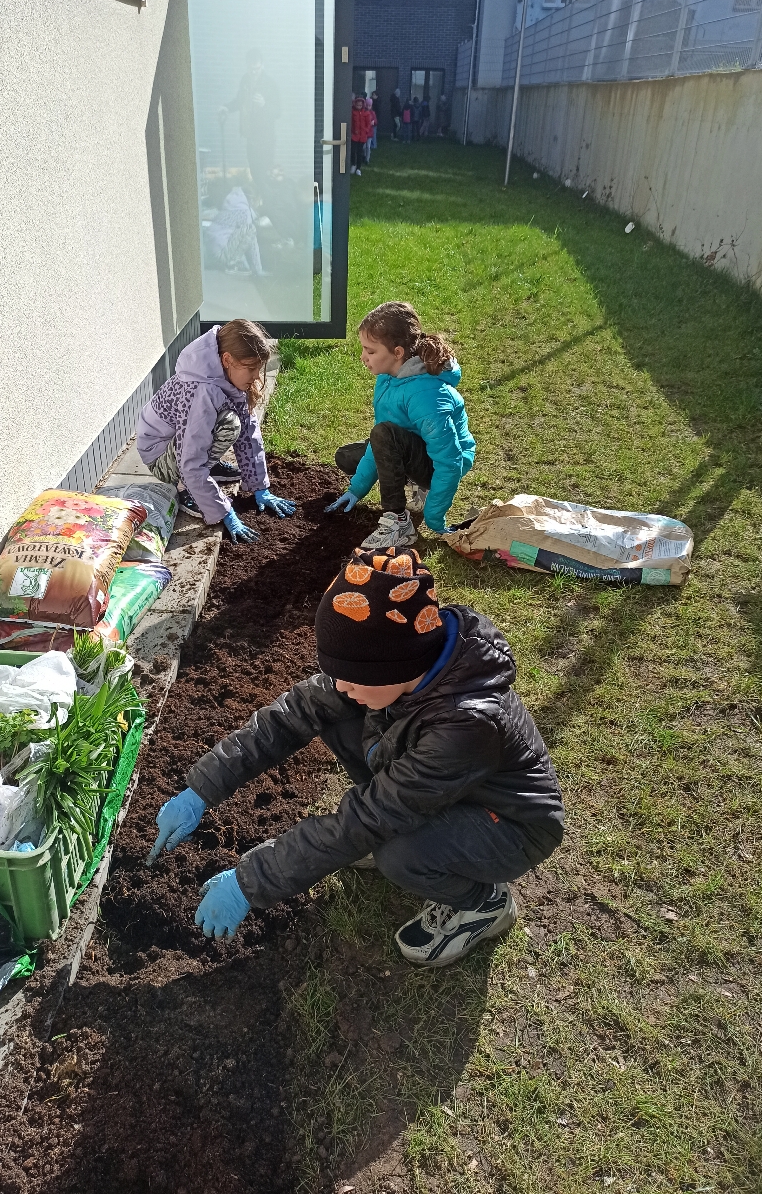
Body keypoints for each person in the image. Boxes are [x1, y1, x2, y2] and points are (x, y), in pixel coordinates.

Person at [147, 548, 564, 968]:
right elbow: (291, 714)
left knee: (399, 853)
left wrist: (248, 882)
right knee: (336, 717)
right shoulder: (397, 660)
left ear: (394, 667)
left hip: (511, 824)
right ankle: (420, 840)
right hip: (441, 788)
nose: (341, 685)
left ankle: (484, 903)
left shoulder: (467, 724)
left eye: (352, 677)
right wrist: (202, 789)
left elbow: (367, 819)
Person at [325, 301, 475, 550]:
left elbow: (450, 461)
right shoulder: (388, 378)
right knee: (348, 456)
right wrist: (356, 490)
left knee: (384, 436)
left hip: (439, 463)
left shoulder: (427, 396)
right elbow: (382, 439)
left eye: (370, 351)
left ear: (397, 352)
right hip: (415, 447)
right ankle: (414, 483)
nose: (363, 357)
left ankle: (399, 523)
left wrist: (434, 519)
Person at [135, 320, 295, 543]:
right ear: (227, 360)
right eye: (251, 368)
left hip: (177, 443)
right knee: (228, 425)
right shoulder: (200, 390)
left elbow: (249, 431)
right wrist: (224, 511)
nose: (256, 376)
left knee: (234, 422)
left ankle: (209, 467)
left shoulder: (222, 374)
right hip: (159, 457)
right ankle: (185, 488)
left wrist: (260, 487)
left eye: (258, 368)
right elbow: (190, 461)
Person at [222, 49, 281, 190]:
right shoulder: (245, 80)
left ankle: (266, 202)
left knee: (264, 175)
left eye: (257, 69)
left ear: (262, 65)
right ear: (247, 65)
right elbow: (239, 101)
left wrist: (264, 105)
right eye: (251, 69)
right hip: (250, 137)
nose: (254, 72)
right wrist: (227, 108)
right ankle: (258, 200)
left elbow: (278, 112)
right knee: (254, 172)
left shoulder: (270, 84)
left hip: (265, 139)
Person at [350, 96, 371, 175]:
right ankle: (353, 164)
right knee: (353, 151)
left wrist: (366, 131)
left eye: (360, 105)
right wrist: (352, 131)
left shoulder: (366, 113)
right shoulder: (353, 112)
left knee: (360, 152)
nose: (359, 106)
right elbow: (351, 123)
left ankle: (358, 168)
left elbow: (368, 124)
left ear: (363, 105)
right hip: (354, 136)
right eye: (357, 105)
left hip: (362, 136)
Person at [363, 97, 377, 165]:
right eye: (367, 105)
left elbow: (375, 121)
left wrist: (373, 122)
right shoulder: (363, 112)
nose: (368, 107)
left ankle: (367, 159)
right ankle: (364, 156)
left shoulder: (372, 113)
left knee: (368, 146)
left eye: (370, 105)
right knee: (364, 147)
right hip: (364, 132)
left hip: (370, 133)